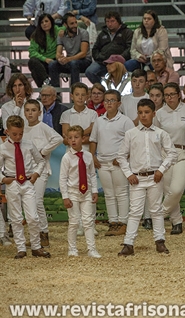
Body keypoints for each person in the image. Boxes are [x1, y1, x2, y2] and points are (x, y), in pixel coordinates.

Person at [117, 98, 178, 256]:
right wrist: (129, 173)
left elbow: (172, 153)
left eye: (147, 112)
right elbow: (121, 156)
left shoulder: (161, 133)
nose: (143, 116)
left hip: (155, 177)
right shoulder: (131, 134)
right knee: (135, 211)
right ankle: (129, 243)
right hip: (136, 177)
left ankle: (160, 241)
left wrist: (162, 169)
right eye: (140, 113)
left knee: (156, 210)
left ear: (154, 113)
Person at [0, 115, 49, 259]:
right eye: (14, 134)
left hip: (27, 182)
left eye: (20, 133)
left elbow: (40, 161)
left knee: (33, 217)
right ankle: (21, 248)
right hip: (13, 183)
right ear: (7, 131)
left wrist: (36, 174)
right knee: (15, 218)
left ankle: (36, 247)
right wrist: (3, 179)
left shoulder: (28, 144)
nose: (18, 136)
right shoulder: (3, 148)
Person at [90, 90, 135, 237]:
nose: (109, 103)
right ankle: (113, 222)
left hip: (118, 162)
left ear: (119, 103)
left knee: (121, 192)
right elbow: (93, 140)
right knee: (109, 194)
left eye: (112, 100)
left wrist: (123, 157)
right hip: (102, 162)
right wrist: (92, 156)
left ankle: (123, 223)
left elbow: (132, 141)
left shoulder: (125, 121)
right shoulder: (99, 121)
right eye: (107, 100)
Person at [155, 83, 185, 235]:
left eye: (172, 94)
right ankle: (177, 221)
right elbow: (156, 136)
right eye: (166, 95)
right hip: (166, 153)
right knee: (168, 190)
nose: (170, 98)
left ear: (179, 94)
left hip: (184, 152)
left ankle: (158, 215)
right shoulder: (159, 113)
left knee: (177, 189)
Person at [24, 99, 63, 247]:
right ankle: (35, 236)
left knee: (37, 200)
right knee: (29, 202)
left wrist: (44, 151)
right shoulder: (24, 129)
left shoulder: (43, 127)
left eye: (33, 110)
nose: (30, 113)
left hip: (41, 169)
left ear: (39, 113)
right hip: (27, 170)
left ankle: (44, 233)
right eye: (27, 110)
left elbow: (58, 138)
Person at [60, 125, 100, 257]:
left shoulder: (88, 156)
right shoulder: (67, 157)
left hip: (87, 192)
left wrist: (95, 191)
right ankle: (72, 248)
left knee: (88, 221)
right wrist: (65, 196)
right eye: (70, 138)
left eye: (76, 137)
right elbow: (63, 178)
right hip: (73, 193)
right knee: (74, 221)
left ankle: (91, 249)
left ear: (83, 139)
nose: (73, 140)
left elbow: (92, 175)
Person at [85, 11, 133, 85]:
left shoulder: (127, 32)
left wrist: (120, 58)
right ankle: (104, 88)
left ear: (118, 21)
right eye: (107, 21)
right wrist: (100, 57)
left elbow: (130, 48)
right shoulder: (102, 34)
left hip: (120, 62)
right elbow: (95, 49)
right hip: (103, 62)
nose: (110, 24)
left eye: (112, 21)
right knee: (90, 71)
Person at [48, 12, 92, 88]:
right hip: (70, 61)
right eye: (72, 24)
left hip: (84, 61)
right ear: (65, 25)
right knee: (52, 64)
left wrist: (68, 59)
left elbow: (83, 53)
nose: (75, 25)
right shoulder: (61, 35)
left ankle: (74, 91)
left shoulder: (84, 33)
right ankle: (56, 92)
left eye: (75, 22)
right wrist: (60, 58)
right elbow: (58, 52)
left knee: (74, 63)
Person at [28, 14, 65, 88]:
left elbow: (71, 27)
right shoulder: (35, 35)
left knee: (36, 72)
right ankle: (46, 83)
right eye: (42, 22)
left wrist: (82, 19)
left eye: (46, 21)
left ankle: (48, 90)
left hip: (55, 61)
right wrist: (45, 59)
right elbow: (32, 52)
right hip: (43, 62)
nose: (44, 24)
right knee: (32, 62)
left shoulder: (57, 30)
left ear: (51, 22)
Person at [60, 83, 98, 152]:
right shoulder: (65, 114)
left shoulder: (93, 114)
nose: (80, 98)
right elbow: (66, 140)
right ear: (72, 96)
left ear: (87, 96)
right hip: (70, 154)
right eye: (77, 94)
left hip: (88, 153)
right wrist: (84, 136)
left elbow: (93, 138)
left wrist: (73, 137)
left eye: (83, 95)